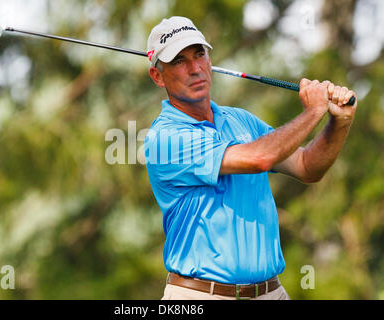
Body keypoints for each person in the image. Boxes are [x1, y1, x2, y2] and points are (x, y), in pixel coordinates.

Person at [143, 16, 357, 300]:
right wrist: (314, 111)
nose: (195, 69)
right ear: (158, 76)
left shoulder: (240, 120)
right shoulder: (165, 139)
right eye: (179, 61)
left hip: (271, 292)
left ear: (209, 59)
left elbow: (307, 167)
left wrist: (339, 123)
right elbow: (261, 158)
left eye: (199, 55)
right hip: (203, 296)